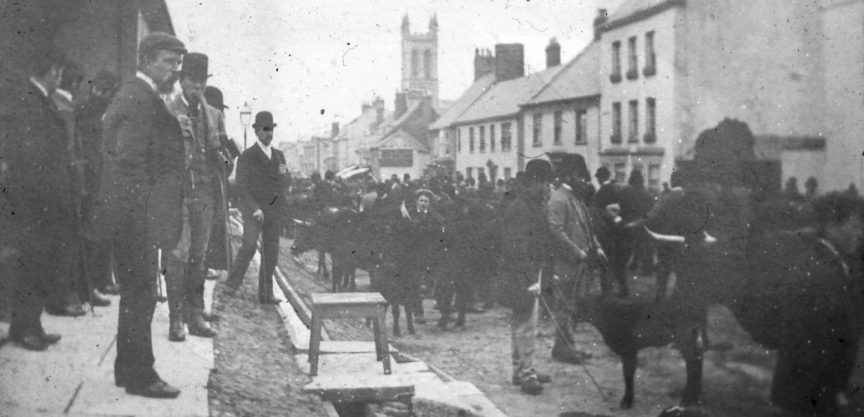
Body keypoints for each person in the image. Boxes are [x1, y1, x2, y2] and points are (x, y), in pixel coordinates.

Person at [85, 32, 187, 398]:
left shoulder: (139, 95)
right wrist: (146, 213)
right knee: (141, 292)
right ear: (146, 61)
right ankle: (140, 375)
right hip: (134, 215)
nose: (175, 70)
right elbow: (129, 163)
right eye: (168, 62)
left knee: (137, 292)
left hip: (129, 211)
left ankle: (128, 370)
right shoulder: (139, 99)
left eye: (178, 63)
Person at [0, 44, 71, 351]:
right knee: (31, 263)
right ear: (52, 71)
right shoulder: (30, 102)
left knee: (38, 263)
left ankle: (31, 324)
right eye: (59, 72)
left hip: (40, 199)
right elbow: (27, 156)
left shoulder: (39, 100)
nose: (61, 78)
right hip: (32, 200)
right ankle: (24, 328)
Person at [163, 52, 227, 341]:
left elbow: (223, 163)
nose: (197, 86)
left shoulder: (214, 115)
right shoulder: (167, 110)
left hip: (204, 193)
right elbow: (158, 155)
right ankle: (176, 319)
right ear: (182, 80)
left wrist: (222, 154)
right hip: (177, 193)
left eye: (202, 81)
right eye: (192, 80)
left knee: (199, 256)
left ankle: (195, 314)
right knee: (178, 254)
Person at [497, 160, 554, 394]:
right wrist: (529, 279)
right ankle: (526, 373)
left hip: (528, 270)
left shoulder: (529, 203)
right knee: (526, 324)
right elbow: (516, 247)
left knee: (521, 321)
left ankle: (520, 369)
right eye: (546, 183)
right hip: (522, 273)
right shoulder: (522, 208)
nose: (548, 188)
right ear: (536, 182)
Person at [225, 111, 291, 304]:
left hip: (273, 210)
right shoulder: (247, 156)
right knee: (249, 245)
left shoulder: (279, 155)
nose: (269, 133)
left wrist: (284, 174)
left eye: (271, 129)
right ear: (256, 131)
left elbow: (286, 182)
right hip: (253, 209)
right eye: (264, 129)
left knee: (271, 253)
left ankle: (266, 294)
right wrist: (254, 208)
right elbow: (241, 186)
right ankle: (231, 284)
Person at [547, 154, 605, 364]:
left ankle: (565, 346)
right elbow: (556, 231)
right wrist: (578, 253)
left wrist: (597, 247)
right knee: (564, 306)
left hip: (580, 263)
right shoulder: (558, 199)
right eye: (580, 176)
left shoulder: (575, 198)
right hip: (566, 264)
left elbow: (587, 226)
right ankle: (564, 349)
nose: (584, 180)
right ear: (568, 175)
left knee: (572, 306)